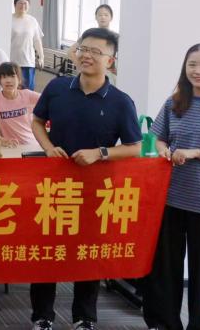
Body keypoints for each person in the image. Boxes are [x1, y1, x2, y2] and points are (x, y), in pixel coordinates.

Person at [30, 27, 142, 330]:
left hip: (96, 191)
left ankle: (84, 318)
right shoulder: (57, 88)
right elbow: (37, 121)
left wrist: (100, 153)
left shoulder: (120, 101)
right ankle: (42, 316)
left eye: (96, 51)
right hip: (54, 188)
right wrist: (48, 147)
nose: (87, 56)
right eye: (83, 49)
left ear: (111, 61)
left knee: (88, 253)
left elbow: (134, 147)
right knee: (48, 253)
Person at [143, 43, 200, 330]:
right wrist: (164, 149)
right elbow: (159, 137)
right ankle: (162, 323)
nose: (198, 71)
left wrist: (197, 153)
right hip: (170, 196)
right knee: (165, 267)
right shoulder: (175, 102)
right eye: (192, 64)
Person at [0, 62, 41, 147]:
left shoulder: (28, 95)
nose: (8, 80)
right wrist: (0, 139)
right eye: (4, 77)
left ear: (19, 80)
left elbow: (49, 100)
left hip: (31, 145)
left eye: (12, 76)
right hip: (9, 147)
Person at [11, 0, 45, 90]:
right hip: (12, 61)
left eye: (25, 4)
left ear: (28, 6)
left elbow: (37, 40)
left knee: (27, 90)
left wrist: (41, 57)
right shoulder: (9, 19)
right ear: (15, 5)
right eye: (20, 3)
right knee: (12, 89)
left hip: (28, 61)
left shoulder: (32, 21)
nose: (23, 6)